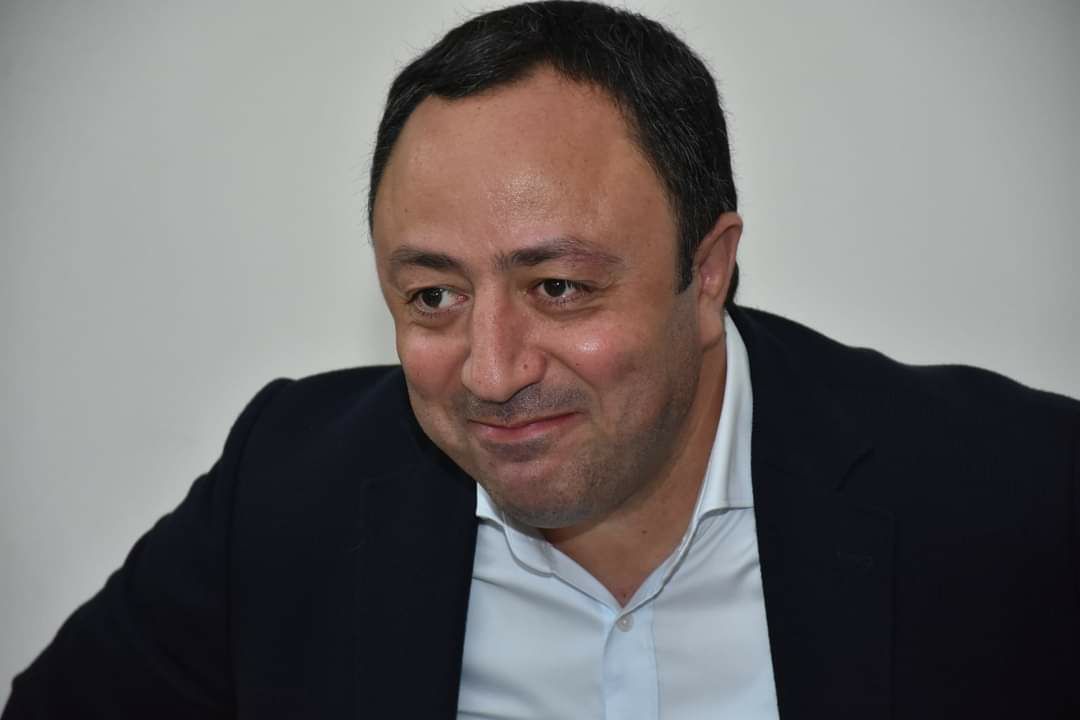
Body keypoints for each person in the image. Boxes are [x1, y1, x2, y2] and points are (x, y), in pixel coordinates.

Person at [4, 1, 1077, 718]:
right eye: (434, 296)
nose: (492, 371)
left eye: (558, 287)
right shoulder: (286, 489)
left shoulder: (1023, 492)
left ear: (708, 273)